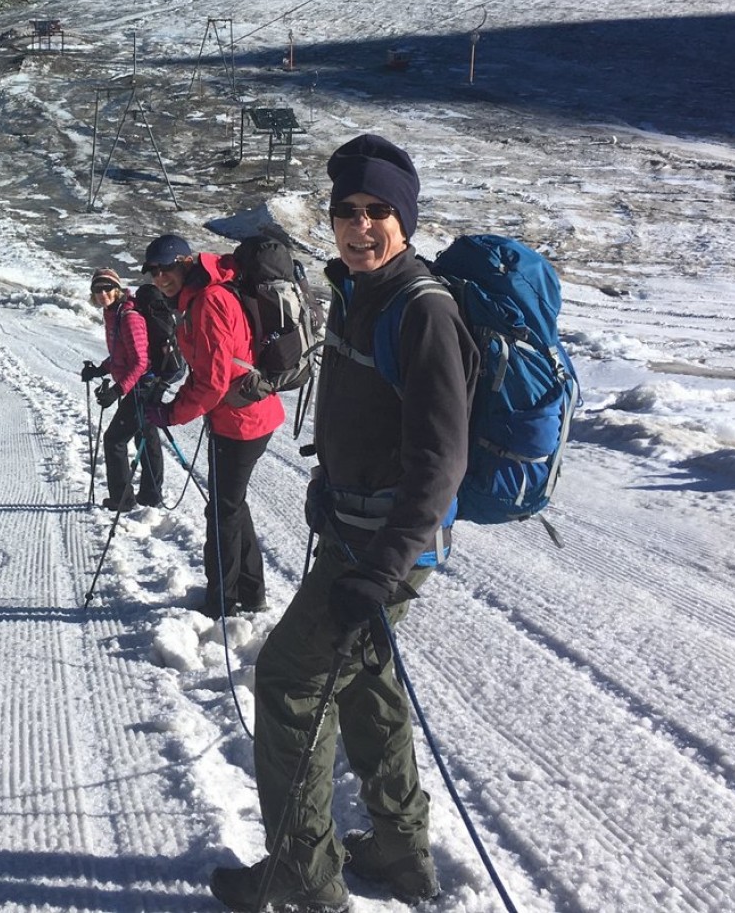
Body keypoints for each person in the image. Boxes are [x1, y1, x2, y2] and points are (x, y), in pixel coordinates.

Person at [209, 134, 477, 913]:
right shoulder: (365, 294)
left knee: (292, 678)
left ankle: (302, 872)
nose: (359, 226)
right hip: (360, 530)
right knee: (366, 683)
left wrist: (385, 563)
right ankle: (397, 849)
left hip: (384, 545)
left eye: (377, 211)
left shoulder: (423, 309)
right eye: (346, 211)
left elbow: (442, 457)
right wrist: (330, 479)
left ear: (407, 218)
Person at [136, 233, 284, 619]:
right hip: (243, 414)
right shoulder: (201, 296)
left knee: (222, 513)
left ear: (185, 263)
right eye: (153, 272)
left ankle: (223, 602)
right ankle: (250, 593)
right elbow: (209, 369)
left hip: (241, 420)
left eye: (165, 268)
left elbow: (215, 380)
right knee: (231, 506)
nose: (159, 278)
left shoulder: (209, 301)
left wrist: (171, 414)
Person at [78, 268, 166, 511]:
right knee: (145, 437)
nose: (102, 293)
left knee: (114, 439)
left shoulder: (129, 317)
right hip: (141, 384)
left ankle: (122, 500)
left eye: (107, 288)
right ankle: (151, 494)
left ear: (117, 289)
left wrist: (117, 391)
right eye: (98, 289)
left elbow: (140, 361)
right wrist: (100, 370)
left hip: (143, 385)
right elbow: (120, 355)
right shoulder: (113, 313)